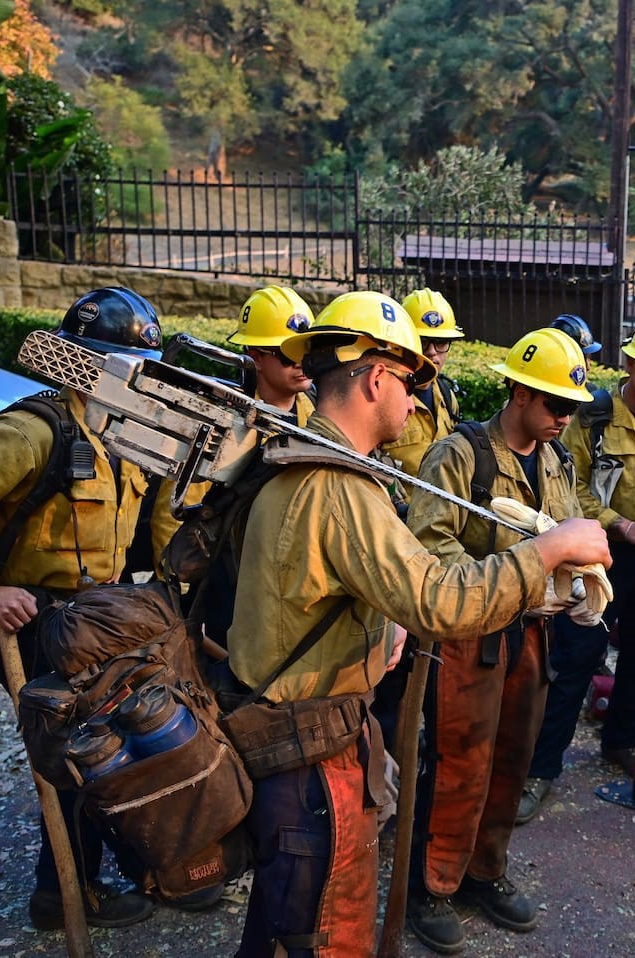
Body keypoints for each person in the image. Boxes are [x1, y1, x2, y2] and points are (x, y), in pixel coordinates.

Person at [226, 291, 610, 957]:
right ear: (377, 377)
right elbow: (439, 597)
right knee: (321, 933)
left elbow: (325, 588)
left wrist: (383, 620)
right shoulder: (340, 487)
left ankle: (472, 872)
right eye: (410, 384)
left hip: (301, 738)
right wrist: (544, 551)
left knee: (285, 925)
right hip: (311, 750)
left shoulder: (308, 462)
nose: (414, 403)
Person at [0, 286, 220, 930]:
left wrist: (172, 592)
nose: (142, 381)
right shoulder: (32, 431)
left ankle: (131, 867)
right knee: (73, 762)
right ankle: (66, 895)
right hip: (38, 624)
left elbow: (162, 514)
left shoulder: (124, 433)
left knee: (122, 745)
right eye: (132, 369)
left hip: (103, 619)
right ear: (92, 364)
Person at [402, 326, 593, 952]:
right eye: (553, 404)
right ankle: (430, 884)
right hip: (469, 636)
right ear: (516, 390)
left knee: (514, 755)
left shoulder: (558, 460)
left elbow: (566, 528)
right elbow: (431, 551)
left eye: (571, 407)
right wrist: (517, 579)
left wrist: (579, 584)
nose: (564, 417)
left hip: (531, 636)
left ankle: (485, 870)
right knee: (461, 761)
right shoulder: (459, 456)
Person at [518, 316, 635, 822]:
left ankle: (622, 741)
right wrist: (622, 526)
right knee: (577, 655)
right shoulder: (593, 416)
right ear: (629, 362)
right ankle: (541, 766)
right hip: (599, 550)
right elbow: (570, 483)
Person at [379, 287, 465, 478]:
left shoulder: (447, 395)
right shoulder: (382, 397)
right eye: (423, 341)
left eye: (440, 343)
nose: (432, 352)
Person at [228, 285, 316, 423]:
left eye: (308, 349)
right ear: (256, 358)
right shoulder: (232, 416)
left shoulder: (317, 404)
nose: (301, 363)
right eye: (289, 354)